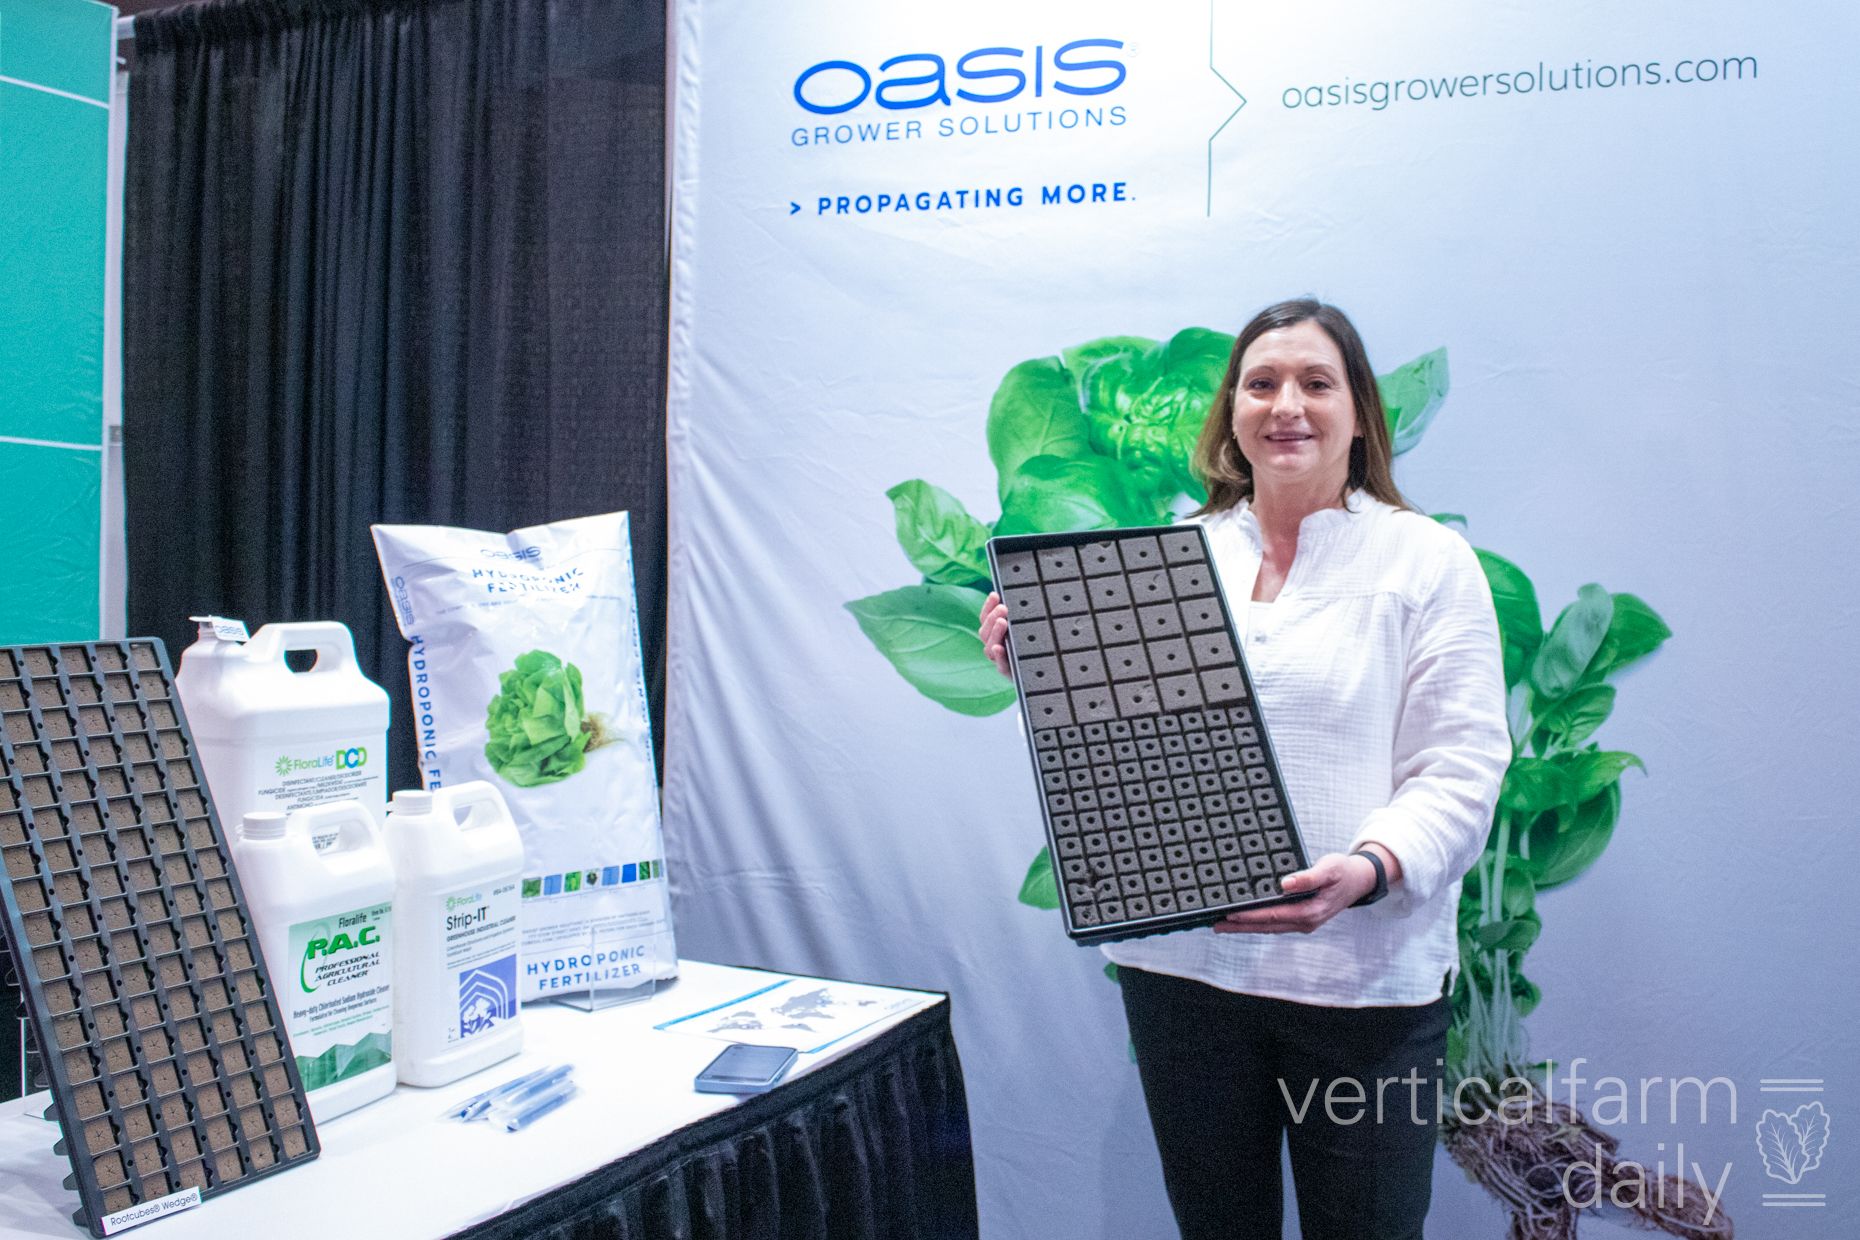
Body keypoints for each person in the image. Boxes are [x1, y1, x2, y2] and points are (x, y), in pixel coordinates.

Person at [978, 300, 1510, 1240]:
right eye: (1260, 384)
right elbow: (1124, 749)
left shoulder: (1428, 561)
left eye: (1316, 383)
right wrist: (1046, 661)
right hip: (1183, 976)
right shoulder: (1169, 557)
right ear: (1231, 412)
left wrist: (1373, 867)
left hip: (1360, 985)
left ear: (1360, 412)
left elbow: (1462, 765)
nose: (1285, 405)